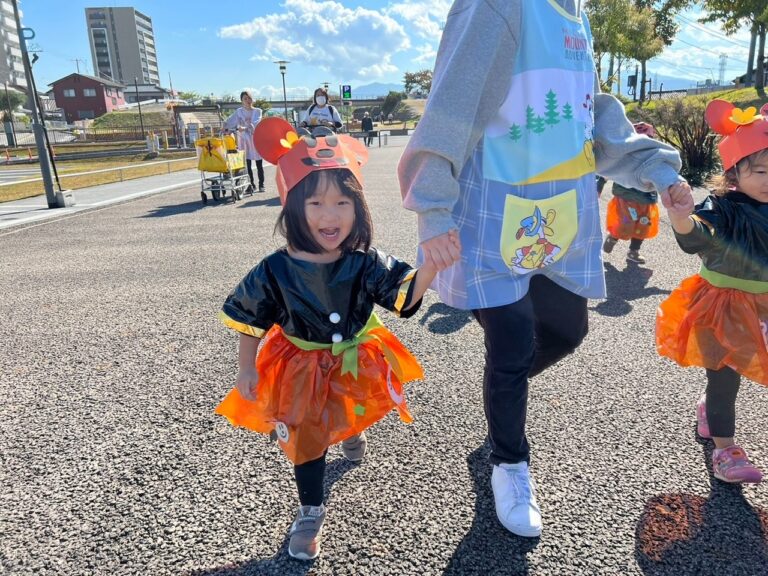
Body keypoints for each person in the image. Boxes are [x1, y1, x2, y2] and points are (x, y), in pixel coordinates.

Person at [398, 0, 690, 538]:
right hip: (493, 214)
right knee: (510, 343)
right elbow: (452, 104)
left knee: (566, 330)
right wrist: (433, 209)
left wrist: (654, 167)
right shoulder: (498, 6)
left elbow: (587, 111)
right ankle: (510, 462)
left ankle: (500, 395)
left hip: (557, 218)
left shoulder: (573, 12)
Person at [215, 117, 449, 560]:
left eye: (343, 202)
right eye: (317, 202)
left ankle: (349, 431)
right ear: (292, 206)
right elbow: (251, 318)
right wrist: (246, 367)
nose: (330, 215)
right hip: (299, 365)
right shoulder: (276, 269)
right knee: (307, 435)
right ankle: (310, 510)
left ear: (357, 207)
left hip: (352, 359)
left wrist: (432, 267)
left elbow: (402, 296)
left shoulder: (364, 261)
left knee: (346, 409)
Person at [657, 99, 768, 485]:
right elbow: (697, 240)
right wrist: (681, 218)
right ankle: (725, 449)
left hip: (764, 306)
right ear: (735, 172)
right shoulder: (724, 207)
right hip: (724, 304)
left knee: (742, 370)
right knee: (724, 377)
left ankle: (709, 413)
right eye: (762, 171)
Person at [601, 122, 661, 264]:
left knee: (643, 226)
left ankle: (633, 252)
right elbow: (608, 170)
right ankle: (614, 236)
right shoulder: (624, 156)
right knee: (625, 224)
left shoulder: (655, 156)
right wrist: (599, 184)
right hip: (626, 197)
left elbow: (662, 173)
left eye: (647, 139)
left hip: (646, 199)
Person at [224, 91, 265, 192]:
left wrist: (245, 127)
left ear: (252, 99)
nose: (248, 100)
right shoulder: (239, 111)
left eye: (249, 98)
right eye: (245, 99)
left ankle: (261, 184)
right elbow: (231, 121)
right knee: (247, 164)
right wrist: (225, 127)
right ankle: (251, 185)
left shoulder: (258, 111)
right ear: (241, 101)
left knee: (259, 163)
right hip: (243, 140)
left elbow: (255, 122)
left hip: (255, 139)